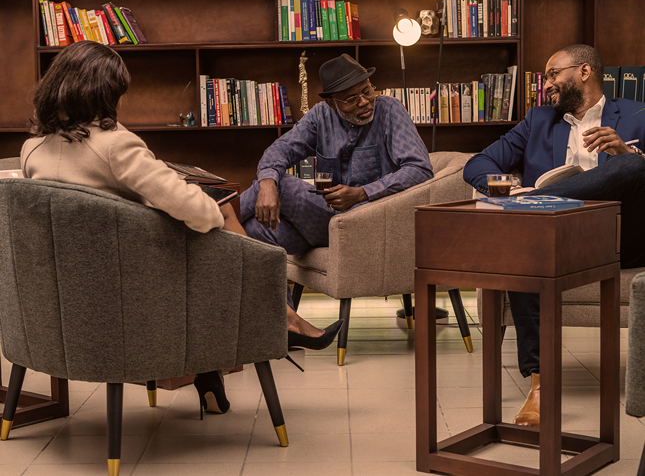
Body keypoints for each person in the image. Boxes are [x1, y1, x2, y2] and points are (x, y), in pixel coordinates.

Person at [18, 40, 336, 417]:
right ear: (102, 95)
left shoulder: (32, 150)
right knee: (220, 214)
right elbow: (199, 213)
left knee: (205, 227)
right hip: (133, 295)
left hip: (63, 294)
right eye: (118, 94)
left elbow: (93, 208)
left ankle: (251, 340)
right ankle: (278, 317)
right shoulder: (115, 144)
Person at [463, 44, 645, 427]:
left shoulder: (636, 113)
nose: (546, 84)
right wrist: (509, 187)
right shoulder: (538, 120)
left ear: (583, 72)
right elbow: (479, 163)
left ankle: (535, 203)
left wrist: (628, 153)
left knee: (632, 166)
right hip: (555, 238)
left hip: (620, 237)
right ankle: (542, 385)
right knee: (523, 245)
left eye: (551, 74)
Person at [239, 53, 434, 336]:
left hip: (369, 224)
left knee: (285, 185)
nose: (364, 102)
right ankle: (285, 328)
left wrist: (363, 193)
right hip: (328, 222)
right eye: (351, 98)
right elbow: (280, 150)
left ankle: (210, 215)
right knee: (253, 232)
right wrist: (266, 182)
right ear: (332, 102)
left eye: (366, 91)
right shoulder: (321, 116)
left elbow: (420, 169)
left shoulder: (390, 110)